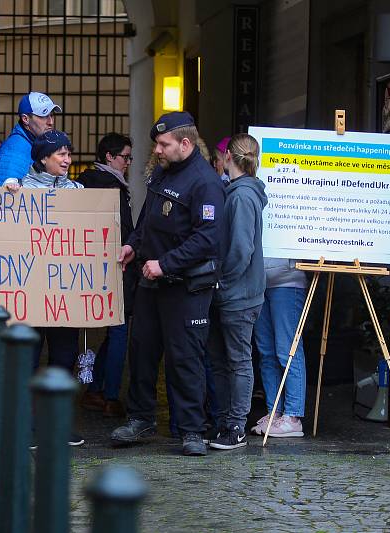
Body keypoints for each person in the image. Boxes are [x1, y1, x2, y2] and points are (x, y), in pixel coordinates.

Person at [110, 112, 225, 457]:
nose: (157, 150)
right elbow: (148, 220)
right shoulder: (162, 172)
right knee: (142, 353)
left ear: (185, 144)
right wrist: (133, 243)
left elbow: (207, 238)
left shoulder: (205, 182)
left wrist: (166, 264)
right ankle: (141, 418)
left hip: (184, 286)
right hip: (151, 281)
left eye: (163, 144)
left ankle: (192, 429)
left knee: (185, 358)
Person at [5, 129, 85, 446]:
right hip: (32, 292)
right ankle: (27, 426)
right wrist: (7, 193)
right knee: (29, 360)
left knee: (65, 358)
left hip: (65, 293)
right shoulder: (19, 190)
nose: (67, 160)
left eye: (68, 153)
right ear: (43, 158)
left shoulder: (78, 191)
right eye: (61, 154)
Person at [206, 133, 267, 450]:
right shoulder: (239, 192)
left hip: (237, 294)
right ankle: (224, 423)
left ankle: (235, 427)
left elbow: (241, 250)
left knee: (238, 361)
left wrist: (222, 280)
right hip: (233, 292)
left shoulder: (242, 196)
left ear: (227, 155)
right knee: (221, 360)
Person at [77, 133, 135, 418]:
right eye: (125, 156)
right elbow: (123, 228)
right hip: (116, 266)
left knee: (111, 331)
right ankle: (110, 395)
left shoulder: (83, 182)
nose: (128, 162)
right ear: (109, 157)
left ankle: (95, 389)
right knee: (119, 330)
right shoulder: (113, 186)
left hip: (88, 267)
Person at [250, 259, 308, 437]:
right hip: (259, 282)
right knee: (266, 353)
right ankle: (274, 412)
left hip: (288, 281)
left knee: (288, 350)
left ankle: (293, 417)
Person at [0, 91, 61, 186]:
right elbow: (5, 197)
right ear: (25, 119)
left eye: (51, 115)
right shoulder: (15, 152)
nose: (50, 122)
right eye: (44, 116)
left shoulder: (30, 145)